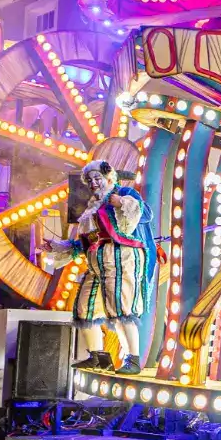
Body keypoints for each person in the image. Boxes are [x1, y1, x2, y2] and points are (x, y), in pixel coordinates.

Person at [58, 157, 156, 375]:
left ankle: (133, 359)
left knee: (121, 310)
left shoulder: (124, 194)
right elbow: (92, 237)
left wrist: (121, 203)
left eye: (97, 178)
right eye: (90, 179)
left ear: (109, 177)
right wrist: (59, 246)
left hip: (120, 259)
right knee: (86, 308)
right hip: (97, 264)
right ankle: (98, 358)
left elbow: (146, 214)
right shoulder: (93, 206)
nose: (93, 183)